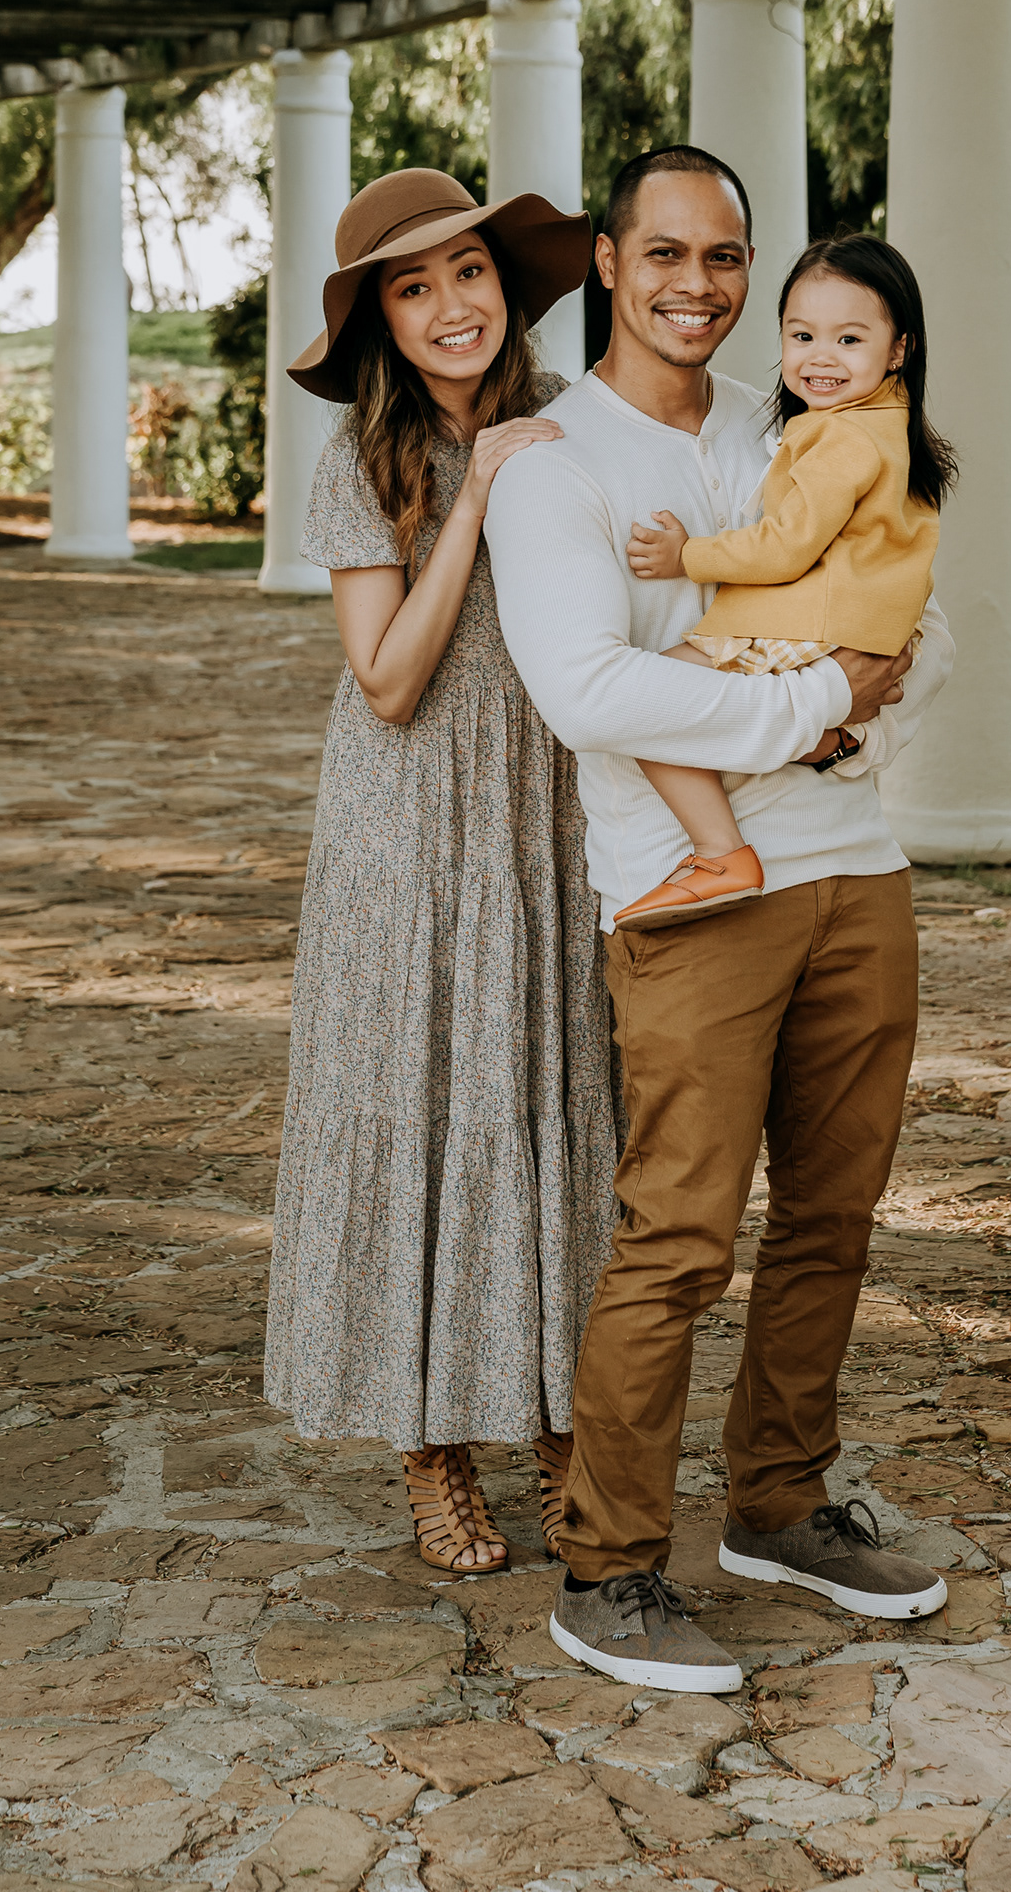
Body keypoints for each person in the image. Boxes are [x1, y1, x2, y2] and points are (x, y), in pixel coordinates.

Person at [486, 144, 956, 1694]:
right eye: (668, 253)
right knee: (679, 1238)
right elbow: (590, 691)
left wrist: (846, 727)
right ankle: (608, 1565)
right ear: (610, 263)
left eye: (727, 256)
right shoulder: (555, 464)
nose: (700, 284)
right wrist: (817, 708)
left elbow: (920, 628)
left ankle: (780, 1506)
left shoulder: (802, 418)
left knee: (834, 1216)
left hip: (857, 870)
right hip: (690, 897)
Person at [264, 167, 619, 1578]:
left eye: (467, 272)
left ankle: (560, 1426)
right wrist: (475, 491)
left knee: (550, 1099)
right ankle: (432, 1447)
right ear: (383, 326)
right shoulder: (362, 463)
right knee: (419, 1111)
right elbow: (389, 680)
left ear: (505, 286)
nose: (450, 305)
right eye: (412, 290)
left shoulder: (575, 422)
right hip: (407, 827)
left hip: (547, 813)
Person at [617, 234, 955, 928]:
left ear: (899, 350)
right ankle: (823, 744)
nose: (820, 357)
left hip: (807, 622)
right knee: (689, 708)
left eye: (849, 339)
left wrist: (688, 555)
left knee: (645, 708)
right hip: (852, 625)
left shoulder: (841, 439)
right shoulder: (886, 427)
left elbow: (785, 548)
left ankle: (720, 853)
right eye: (802, 336)